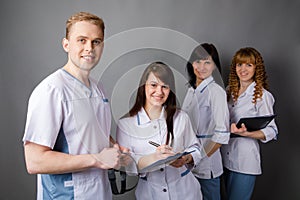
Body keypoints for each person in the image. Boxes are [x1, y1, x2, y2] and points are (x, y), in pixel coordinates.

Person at [22, 12, 123, 200]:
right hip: (67, 194)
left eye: (96, 42)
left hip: (100, 192)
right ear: (66, 44)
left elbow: (91, 130)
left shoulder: (98, 88)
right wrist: (97, 159)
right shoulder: (52, 90)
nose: (89, 48)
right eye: (82, 40)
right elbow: (35, 161)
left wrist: (115, 147)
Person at [116, 61, 204, 200]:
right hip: (150, 194)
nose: (159, 92)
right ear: (143, 86)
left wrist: (186, 158)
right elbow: (128, 165)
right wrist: (155, 158)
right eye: (153, 85)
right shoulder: (126, 124)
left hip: (186, 192)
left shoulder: (181, 117)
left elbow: (196, 148)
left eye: (165, 87)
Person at [221, 47, 278, 200]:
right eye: (239, 65)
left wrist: (248, 134)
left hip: (245, 161)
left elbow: (272, 131)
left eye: (248, 65)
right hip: (224, 157)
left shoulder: (263, 95)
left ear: (256, 68)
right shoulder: (228, 91)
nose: (243, 69)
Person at [181, 43, 230, 200]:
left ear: (214, 66)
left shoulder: (216, 92)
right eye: (198, 61)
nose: (201, 67)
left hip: (206, 164)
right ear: (192, 63)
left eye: (207, 62)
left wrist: (198, 157)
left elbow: (222, 135)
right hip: (188, 161)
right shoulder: (190, 90)